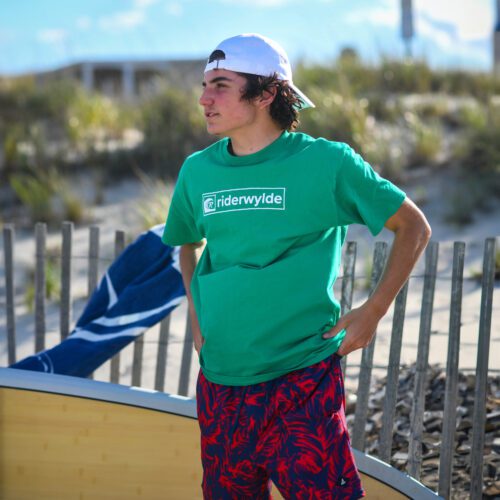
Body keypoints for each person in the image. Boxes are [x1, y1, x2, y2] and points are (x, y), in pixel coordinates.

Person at [162, 33, 431, 499]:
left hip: (301, 381)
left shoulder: (327, 162)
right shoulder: (197, 171)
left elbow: (413, 227)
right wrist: (197, 315)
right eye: (204, 86)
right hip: (222, 383)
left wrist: (373, 311)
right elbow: (187, 244)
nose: (204, 99)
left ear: (266, 93)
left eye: (221, 85)